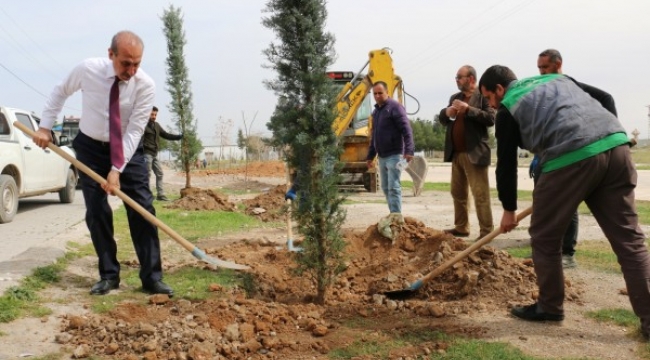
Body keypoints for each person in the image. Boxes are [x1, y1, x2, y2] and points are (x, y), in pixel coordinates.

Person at [479, 65, 650, 339]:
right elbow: (605, 97)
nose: (491, 104)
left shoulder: (508, 107)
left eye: (488, 98)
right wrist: (607, 136)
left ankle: (549, 307)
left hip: (569, 158)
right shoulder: (557, 79)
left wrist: (509, 210)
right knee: (630, 242)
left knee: (545, 238)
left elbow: (506, 163)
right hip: (617, 147)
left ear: (499, 89)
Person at [32, 31, 173, 297]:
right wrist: (44, 128)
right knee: (97, 211)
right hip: (90, 148)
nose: (131, 70)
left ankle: (152, 277)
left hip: (128, 152)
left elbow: (133, 131)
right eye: (125, 63)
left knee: (143, 208)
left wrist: (116, 170)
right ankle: (109, 276)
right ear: (111, 55)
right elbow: (59, 92)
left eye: (137, 64)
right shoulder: (88, 69)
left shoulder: (145, 85)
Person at [532, 49, 619, 269]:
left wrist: (612, 130)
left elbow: (606, 97)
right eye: (539, 68)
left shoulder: (571, 86)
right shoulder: (545, 91)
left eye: (545, 67)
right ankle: (548, 250)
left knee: (569, 204)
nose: (541, 72)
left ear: (558, 64)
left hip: (573, 156)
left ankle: (568, 253)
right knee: (545, 203)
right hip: (549, 156)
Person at [438, 65, 496, 240]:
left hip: (475, 154)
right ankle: (461, 227)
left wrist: (468, 110)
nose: (457, 80)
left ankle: (487, 232)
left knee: (480, 195)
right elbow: (442, 118)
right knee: (458, 193)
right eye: (456, 77)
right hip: (456, 154)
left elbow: (491, 118)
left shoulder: (482, 96)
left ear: (471, 79)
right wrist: (447, 112)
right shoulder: (455, 97)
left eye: (459, 77)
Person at [366, 81, 414, 214]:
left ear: (387, 92)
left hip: (395, 155)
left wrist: (409, 150)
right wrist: (370, 156)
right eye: (374, 93)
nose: (377, 96)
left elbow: (406, 130)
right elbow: (374, 136)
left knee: (393, 187)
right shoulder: (376, 112)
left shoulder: (395, 108)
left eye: (380, 93)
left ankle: (396, 217)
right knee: (386, 188)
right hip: (382, 156)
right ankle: (393, 214)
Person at [143, 106, 182, 201]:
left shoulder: (157, 125)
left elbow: (166, 135)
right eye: (152, 114)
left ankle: (160, 195)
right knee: (147, 175)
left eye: (155, 115)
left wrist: (178, 137)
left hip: (154, 154)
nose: (154, 116)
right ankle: (147, 196)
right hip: (146, 153)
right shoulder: (143, 125)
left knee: (160, 173)